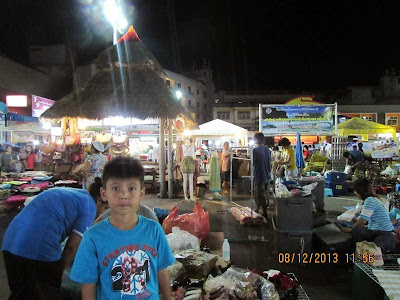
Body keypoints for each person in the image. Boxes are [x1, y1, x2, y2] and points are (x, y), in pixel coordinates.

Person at [70, 157, 175, 300]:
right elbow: (88, 285)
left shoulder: (154, 229)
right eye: (115, 188)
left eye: (131, 188)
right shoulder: (92, 237)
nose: (124, 195)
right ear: (104, 193)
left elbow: (161, 270)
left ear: (141, 194)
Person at [2, 187, 97, 299]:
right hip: (39, 247)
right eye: (105, 207)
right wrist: (59, 272)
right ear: (101, 198)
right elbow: (72, 247)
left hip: (10, 241)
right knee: (45, 293)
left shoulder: (76, 194)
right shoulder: (90, 205)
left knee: (20, 294)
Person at [340, 179, 396, 253]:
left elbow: (362, 220)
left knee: (372, 252)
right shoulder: (374, 199)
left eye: (356, 190)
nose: (355, 193)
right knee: (358, 231)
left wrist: (351, 229)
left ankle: (353, 255)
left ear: (361, 191)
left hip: (385, 235)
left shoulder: (370, 200)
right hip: (375, 231)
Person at [252, 133, 271, 218]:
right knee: (265, 193)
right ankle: (261, 209)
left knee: (259, 194)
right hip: (267, 174)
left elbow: (253, 163)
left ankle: (263, 211)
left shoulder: (255, 150)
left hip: (259, 175)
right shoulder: (267, 150)